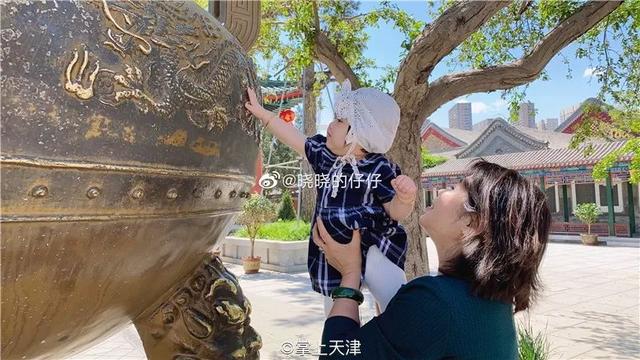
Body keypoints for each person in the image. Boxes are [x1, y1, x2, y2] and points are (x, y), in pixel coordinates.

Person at [314, 160, 551, 359]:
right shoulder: (493, 303)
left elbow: (338, 355)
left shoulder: (434, 301)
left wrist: (350, 273)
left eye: (456, 188)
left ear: (473, 222)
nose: (440, 191)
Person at [245, 81, 417, 316]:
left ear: (358, 135)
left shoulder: (380, 167)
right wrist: (263, 114)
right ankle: (345, 345)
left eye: (339, 121)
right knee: (337, 315)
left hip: (377, 247)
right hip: (331, 249)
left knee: (395, 305)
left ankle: (396, 339)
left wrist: (404, 199)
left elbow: (394, 211)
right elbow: (293, 136)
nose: (331, 124)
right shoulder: (324, 155)